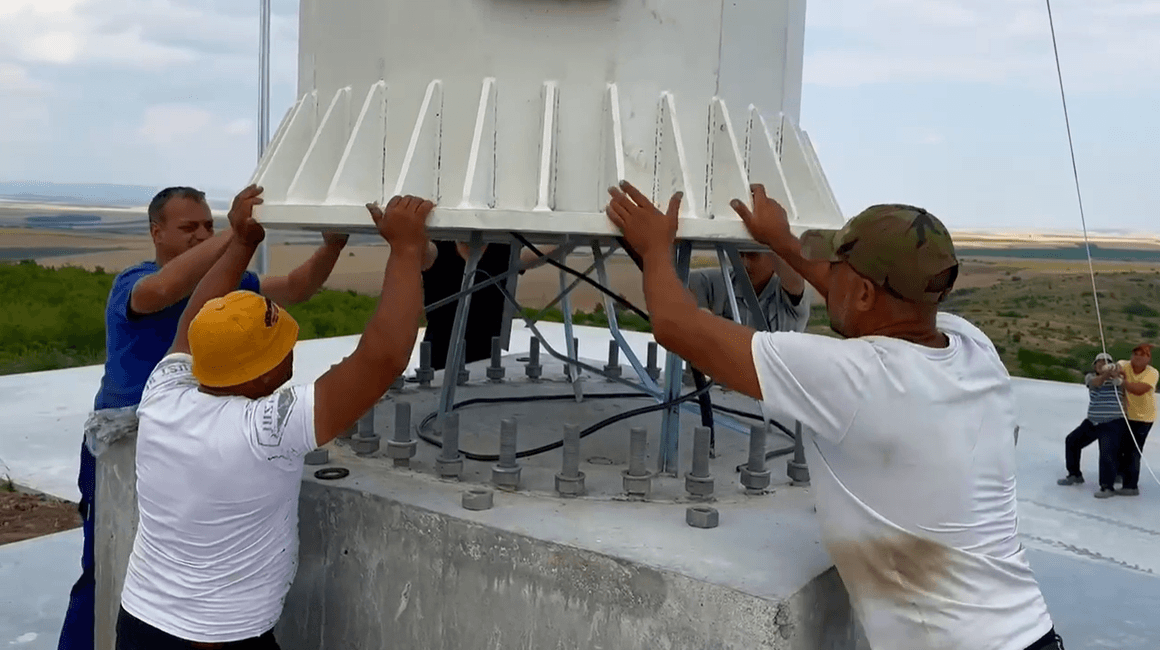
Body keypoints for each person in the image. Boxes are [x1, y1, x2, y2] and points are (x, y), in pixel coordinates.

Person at [605, 179, 1062, 650]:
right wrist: (780, 241)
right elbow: (870, 303)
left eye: (838, 266)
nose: (827, 274)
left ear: (863, 292)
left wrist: (655, 248)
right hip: (1032, 633)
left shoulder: (857, 379)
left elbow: (677, 325)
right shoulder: (972, 346)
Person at [114, 193, 434, 648]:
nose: (291, 353)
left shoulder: (164, 392)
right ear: (263, 374)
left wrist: (242, 242)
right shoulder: (265, 430)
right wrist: (405, 250)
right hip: (219, 638)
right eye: (282, 347)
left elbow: (192, 320)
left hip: (141, 620)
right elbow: (380, 360)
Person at [59, 185, 350, 650]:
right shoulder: (135, 282)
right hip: (124, 450)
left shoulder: (231, 290)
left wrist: (332, 244)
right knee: (103, 564)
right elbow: (167, 289)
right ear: (156, 232)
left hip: (197, 449)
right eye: (188, 227)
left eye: (208, 226)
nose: (201, 235)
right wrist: (237, 236)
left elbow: (297, 288)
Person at [420, 240, 559, 372]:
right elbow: (419, 250)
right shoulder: (439, 247)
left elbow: (532, 256)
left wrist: (571, 238)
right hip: (437, 356)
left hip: (485, 358)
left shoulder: (502, 249)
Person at [1056, 353, 1125, 496]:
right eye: (1098, 362)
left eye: (1106, 362)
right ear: (1094, 366)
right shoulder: (1090, 377)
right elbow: (1095, 384)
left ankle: (1107, 487)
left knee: (1107, 453)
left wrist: (1115, 375)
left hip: (1112, 422)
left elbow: (1121, 383)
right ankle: (1075, 474)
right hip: (1093, 421)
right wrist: (1106, 375)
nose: (1102, 364)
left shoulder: (1119, 379)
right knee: (1072, 441)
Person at [689, 250, 809, 332]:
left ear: (773, 258)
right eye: (740, 254)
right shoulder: (713, 281)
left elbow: (795, 281)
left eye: (753, 255)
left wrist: (770, 238)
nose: (744, 262)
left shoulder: (789, 296)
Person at [1115, 343, 1157, 496]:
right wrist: (1114, 371)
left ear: (1148, 359)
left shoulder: (1152, 373)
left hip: (1144, 418)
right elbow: (1116, 368)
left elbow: (1139, 390)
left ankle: (1131, 486)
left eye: (1143, 354)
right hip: (1125, 415)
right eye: (1136, 353)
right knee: (1120, 446)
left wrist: (1123, 382)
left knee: (1133, 451)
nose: (1138, 357)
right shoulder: (1123, 364)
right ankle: (1119, 474)